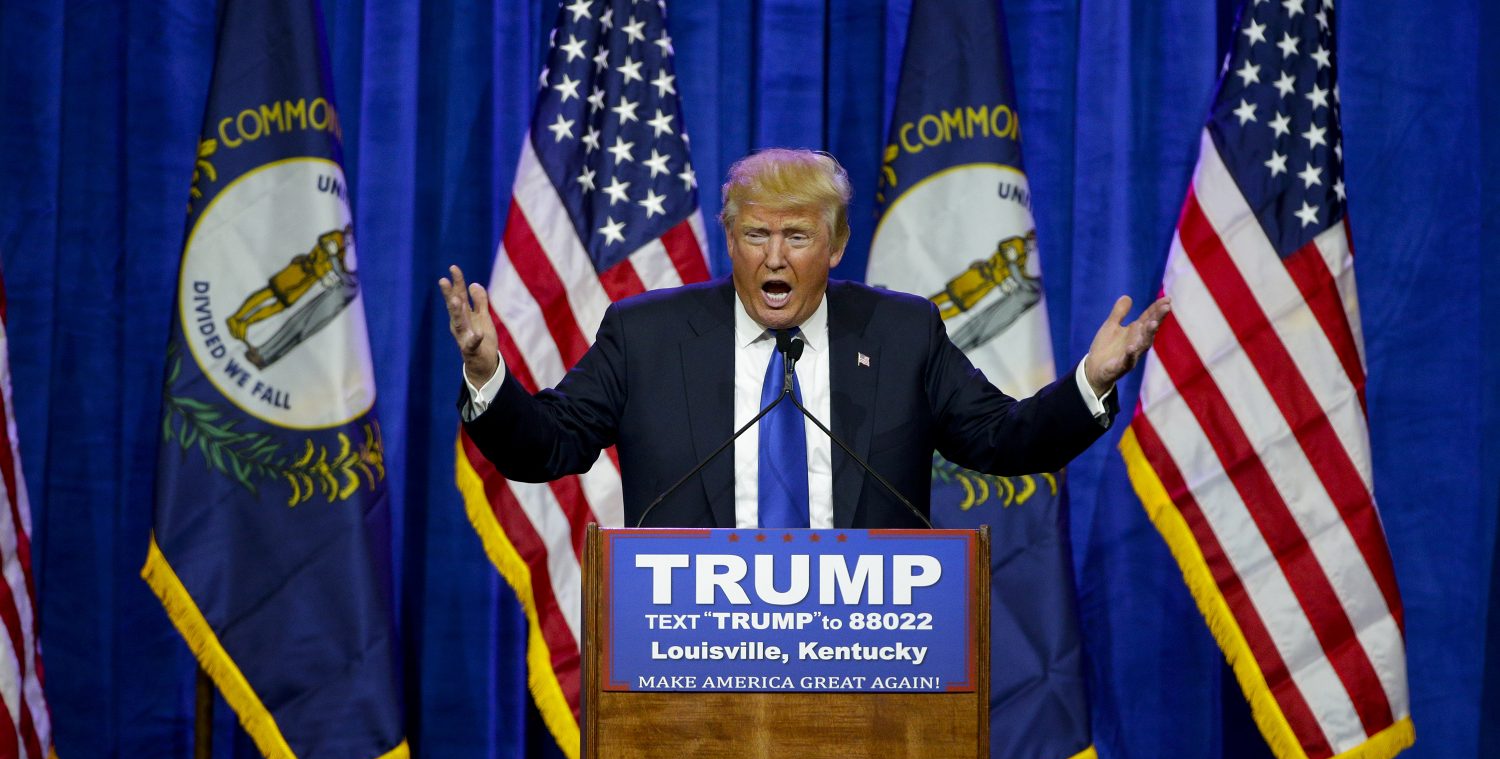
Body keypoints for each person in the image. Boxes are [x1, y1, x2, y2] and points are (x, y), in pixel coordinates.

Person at [441, 148, 1168, 529]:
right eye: (756, 235)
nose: (775, 257)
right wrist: (487, 374)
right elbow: (548, 446)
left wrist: (1093, 381)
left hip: (865, 669)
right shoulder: (646, 336)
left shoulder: (900, 332)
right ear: (730, 239)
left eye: (797, 236)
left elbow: (1003, 441)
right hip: (689, 671)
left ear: (838, 244)